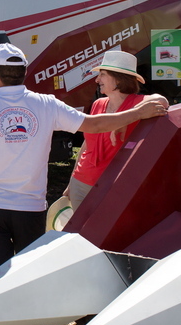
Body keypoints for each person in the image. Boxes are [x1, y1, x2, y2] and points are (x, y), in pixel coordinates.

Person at [0, 43, 168, 325]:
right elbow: (94, 125)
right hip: (31, 208)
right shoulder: (47, 105)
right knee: (29, 276)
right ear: (24, 74)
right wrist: (136, 113)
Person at [64, 50, 169, 209]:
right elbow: (87, 144)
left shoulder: (138, 103)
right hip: (81, 182)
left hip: (112, 186)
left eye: (103, 74)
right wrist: (72, 180)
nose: (97, 79)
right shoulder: (98, 104)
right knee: (79, 233)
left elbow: (162, 100)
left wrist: (125, 118)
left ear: (118, 79)